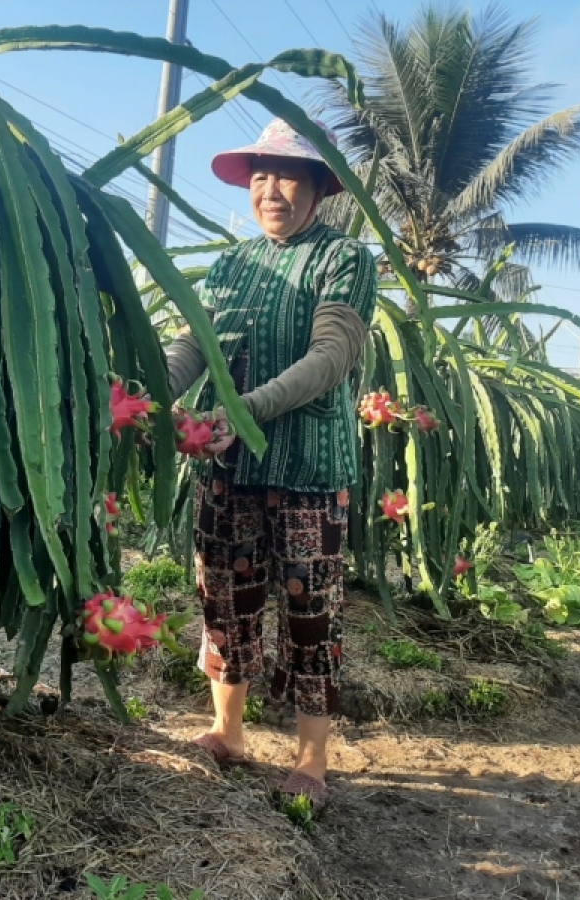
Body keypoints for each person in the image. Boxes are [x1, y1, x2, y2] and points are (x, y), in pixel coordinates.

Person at [162, 118, 376, 813]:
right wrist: (145, 393)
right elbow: (193, 344)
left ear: (318, 187)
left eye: (286, 174)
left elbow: (331, 358)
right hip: (227, 466)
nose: (270, 189)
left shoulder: (342, 260)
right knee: (224, 599)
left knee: (311, 614)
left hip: (307, 468)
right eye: (259, 175)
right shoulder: (232, 266)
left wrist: (245, 408)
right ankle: (228, 732)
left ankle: (311, 759)